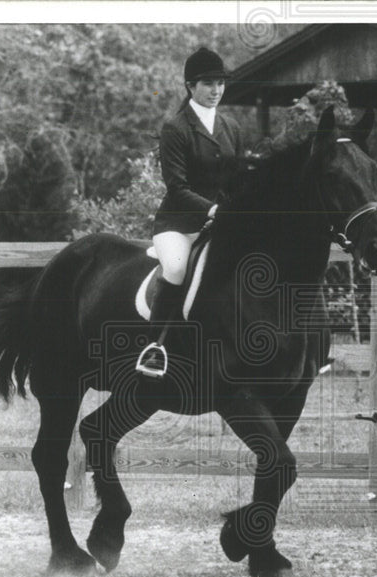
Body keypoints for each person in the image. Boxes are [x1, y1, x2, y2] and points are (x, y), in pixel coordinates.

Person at [137, 46, 245, 377]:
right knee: (176, 269)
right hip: (179, 224)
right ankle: (154, 347)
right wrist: (213, 209)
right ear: (191, 86)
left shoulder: (232, 128)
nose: (216, 90)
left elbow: (238, 181)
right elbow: (177, 186)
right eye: (209, 83)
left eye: (220, 83)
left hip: (221, 223)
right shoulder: (176, 127)